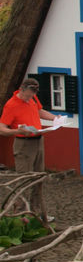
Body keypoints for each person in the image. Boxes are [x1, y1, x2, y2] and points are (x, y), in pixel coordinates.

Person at [0, 78, 57, 222]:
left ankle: (37, 212)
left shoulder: (32, 98)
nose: (29, 98)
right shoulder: (11, 105)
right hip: (23, 143)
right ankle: (21, 215)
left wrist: (55, 119)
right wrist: (17, 131)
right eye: (27, 95)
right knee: (24, 179)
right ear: (22, 89)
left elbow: (39, 111)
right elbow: (2, 129)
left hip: (38, 141)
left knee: (39, 178)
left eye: (32, 96)